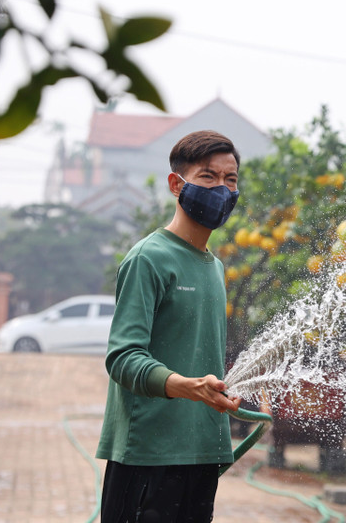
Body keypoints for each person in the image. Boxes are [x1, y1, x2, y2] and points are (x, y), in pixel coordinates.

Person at [96, 130, 243, 523]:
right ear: (177, 185)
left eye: (230, 180)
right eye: (208, 177)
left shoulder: (214, 267)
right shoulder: (149, 259)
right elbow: (123, 358)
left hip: (202, 453)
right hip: (147, 457)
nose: (222, 189)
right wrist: (191, 387)